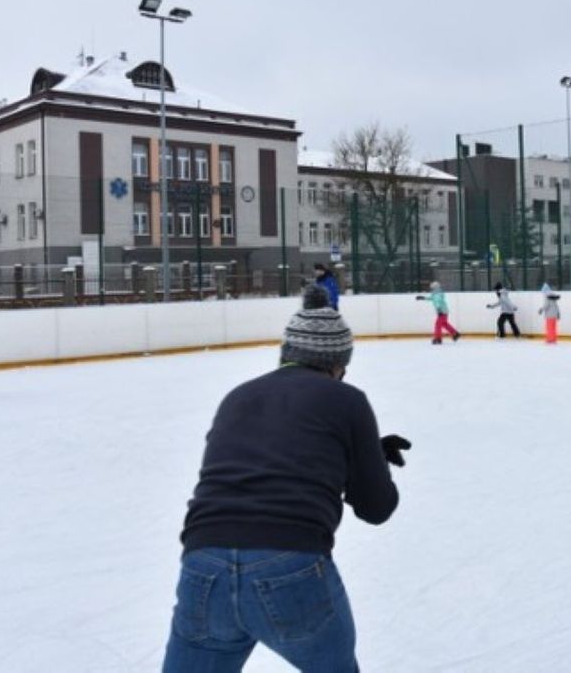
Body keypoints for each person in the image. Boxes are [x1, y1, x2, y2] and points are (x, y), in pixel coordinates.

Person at [163, 285, 409, 671]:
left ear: (286, 355)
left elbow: (266, 458)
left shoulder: (237, 395)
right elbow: (376, 508)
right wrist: (373, 462)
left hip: (203, 563)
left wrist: (355, 452)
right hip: (287, 563)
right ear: (337, 363)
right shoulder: (346, 399)